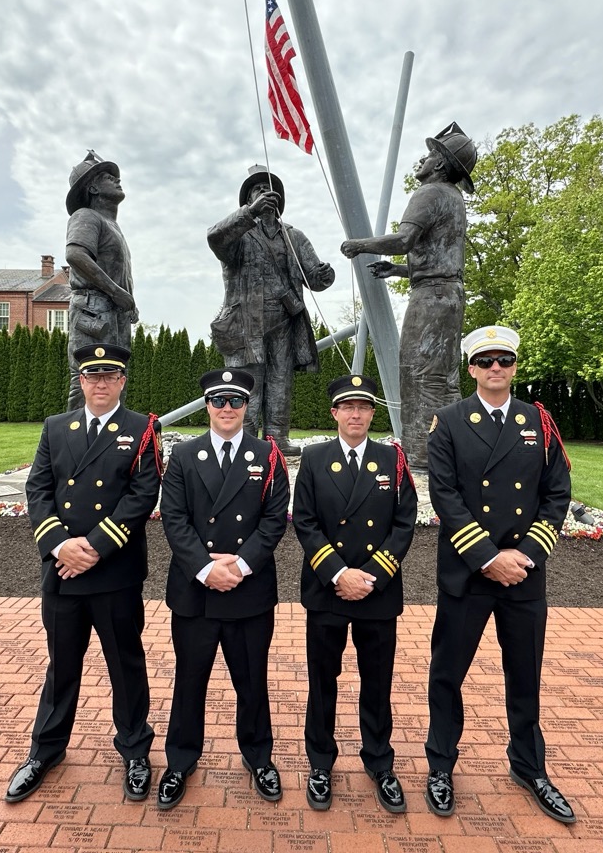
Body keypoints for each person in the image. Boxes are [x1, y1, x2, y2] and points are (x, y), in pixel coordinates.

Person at [423, 325, 576, 824]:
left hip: (524, 576)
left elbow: (556, 496)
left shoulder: (539, 422)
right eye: (485, 360)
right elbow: (445, 495)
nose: (495, 368)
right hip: (470, 572)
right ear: (471, 368)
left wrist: (525, 554)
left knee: (525, 675)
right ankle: (441, 765)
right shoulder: (447, 421)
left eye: (504, 361)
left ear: (514, 367)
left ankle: (530, 767)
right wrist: (489, 556)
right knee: (448, 674)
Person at [6, 343, 163, 804]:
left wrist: (93, 547)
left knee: (126, 665)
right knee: (62, 665)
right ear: (82, 381)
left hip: (113, 572)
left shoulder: (141, 429)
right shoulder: (57, 427)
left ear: (121, 381)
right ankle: (45, 751)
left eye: (109, 375)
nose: (99, 383)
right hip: (62, 571)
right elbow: (38, 487)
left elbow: (143, 492)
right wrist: (59, 544)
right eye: (91, 375)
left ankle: (135, 751)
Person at [156, 369, 291, 810]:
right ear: (207, 406)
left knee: (252, 682)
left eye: (235, 401)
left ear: (246, 406)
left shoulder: (267, 455)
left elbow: (275, 519)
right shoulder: (184, 455)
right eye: (218, 401)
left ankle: (259, 757)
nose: (227, 408)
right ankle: (180, 761)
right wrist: (204, 569)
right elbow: (174, 519)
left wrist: (242, 564)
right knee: (189, 681)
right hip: (196, 590)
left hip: (248, 589)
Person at [292, 374, 416, 814]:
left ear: (372, 413)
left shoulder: (392, 459)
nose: (356, 414)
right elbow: (304, 522)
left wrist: (372, 577)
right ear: (334, 413)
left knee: (377, 682)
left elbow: (405, 522)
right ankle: (320, 763)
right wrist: (338, 573)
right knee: (322, 682)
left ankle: (380, 762)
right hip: (328, 590)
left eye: (363, 406)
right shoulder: (314, 458)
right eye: (348, 407)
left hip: (376, 592)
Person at [340, 122, 478, 473]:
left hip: (431, 298)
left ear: (441, 165)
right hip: (448, 294)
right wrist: (398, 270)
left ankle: (421, 457)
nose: (423, 158)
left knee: (418, 374)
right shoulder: (454, 198)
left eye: (431, 154)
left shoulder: (430, 193)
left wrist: (360, 244)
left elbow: (404, 241)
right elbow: (440, 260)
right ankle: (450, 455)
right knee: (444, 377)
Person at [207, 166, 335, 456]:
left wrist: (325, 274)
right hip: (245, 324)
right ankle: (245, 437)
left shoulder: (294, 236)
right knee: (246, 383)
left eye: (269, 188)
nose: (266, 193)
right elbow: (214, 238)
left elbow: (314, 278)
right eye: (257, 189)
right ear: (248, 201)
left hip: (284, 323)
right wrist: (249, 213)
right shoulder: (239, 234)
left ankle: (278, 437)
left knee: (280, 381)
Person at [65, 151, 138, 411]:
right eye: (109, 177)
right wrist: (116, 291)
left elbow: (118, 270)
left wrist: (128, 301)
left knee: (116, 380)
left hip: (114, 313)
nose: (117, 180)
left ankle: (111, 444)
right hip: (93, 311)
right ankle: (74, 445)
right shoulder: (86, 216)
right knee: (89, 380)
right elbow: (75, 254)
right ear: (93, 187)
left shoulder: (112, 225)